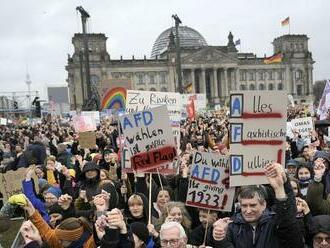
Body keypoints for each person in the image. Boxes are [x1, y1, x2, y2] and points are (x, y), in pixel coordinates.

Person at [209, 162, 304, 248]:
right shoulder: (231, 227)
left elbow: (289, 228)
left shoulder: (275, 223)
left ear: (264, 205)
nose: (248, 210)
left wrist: (281, 186)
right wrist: (220, 239)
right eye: (244, 206)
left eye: (253, 205)